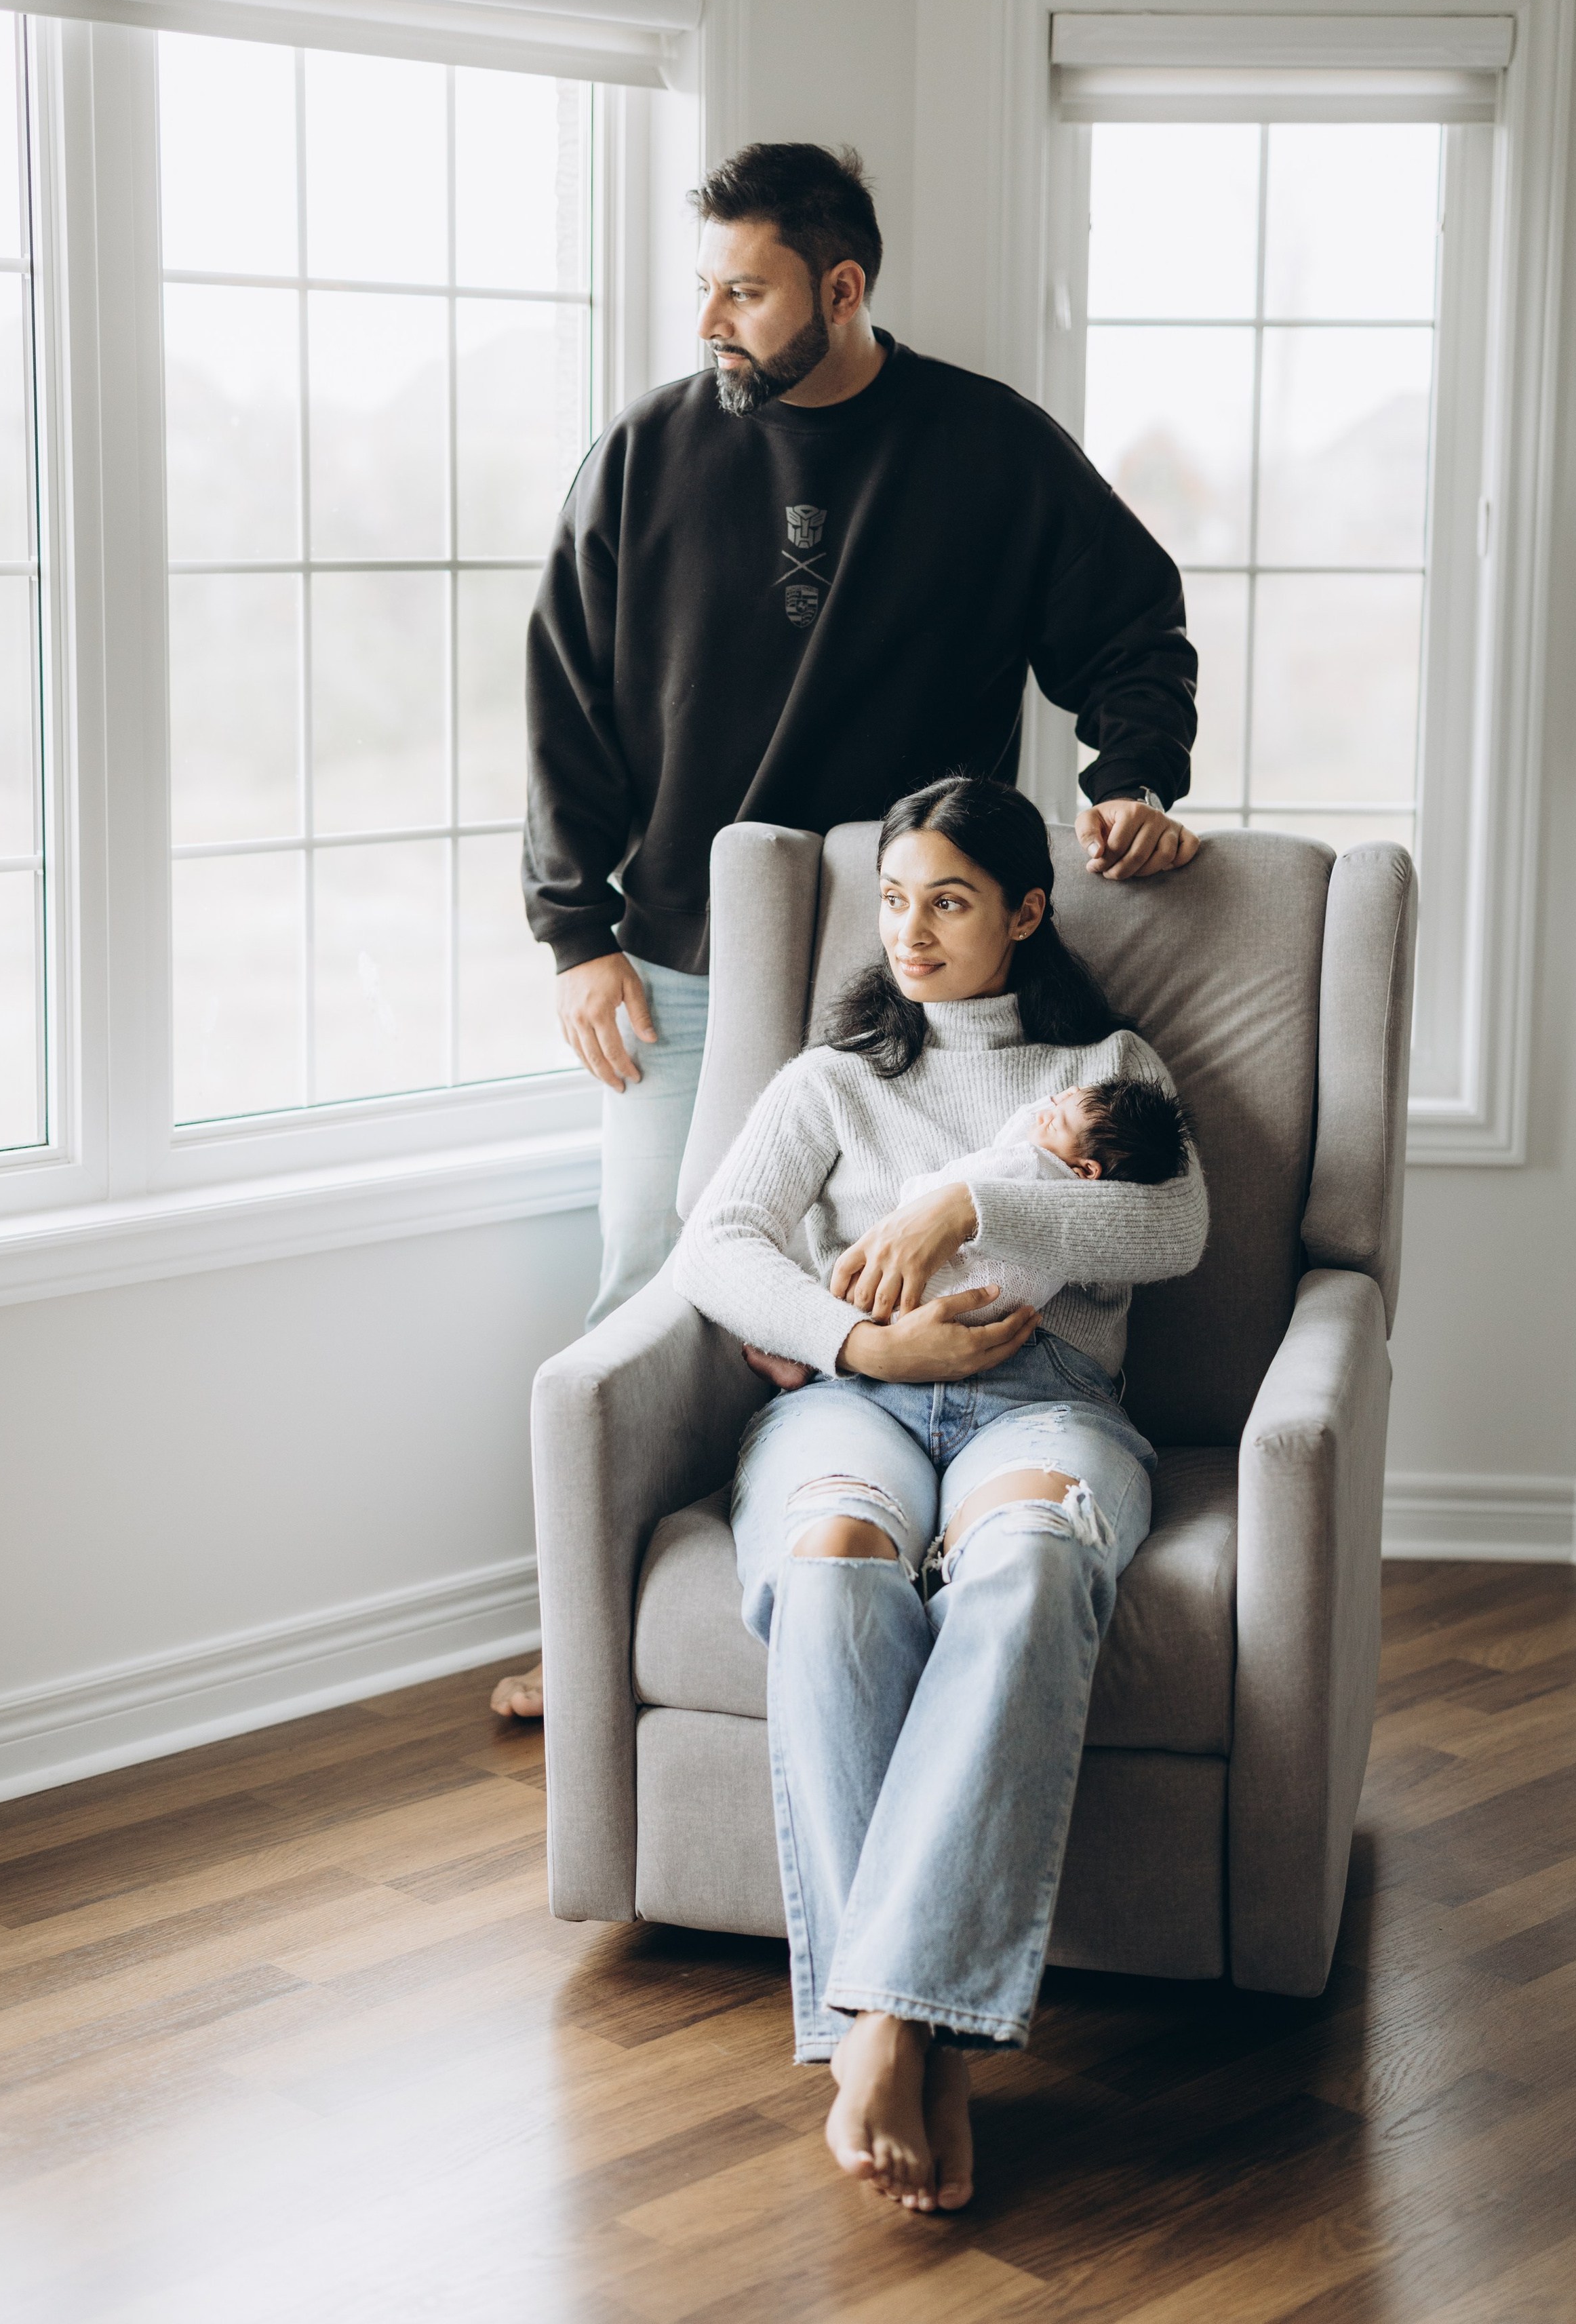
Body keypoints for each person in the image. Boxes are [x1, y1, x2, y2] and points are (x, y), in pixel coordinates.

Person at [492, 140, 1200, 1722]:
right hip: (677, 952)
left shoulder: (989, 453)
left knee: (898, 1247)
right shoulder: (640, 458)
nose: (712, 322)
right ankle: (599, 1631)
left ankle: (892, 1548)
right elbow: (563, 703)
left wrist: (1132, 777)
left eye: (742, 290)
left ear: (840, 285)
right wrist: (574, 931)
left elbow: (1132, 626)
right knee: (652, 1281)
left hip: (915, 953)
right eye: (705, 289)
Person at [672, 776, 1208, 2213]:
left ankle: (887, 2016)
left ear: (1025, 913)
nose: (910, 931)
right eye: (895, 900)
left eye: (950, 901)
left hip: (1047, 1405)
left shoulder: (1102, 1062)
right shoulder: (831, 1079)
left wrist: (961, 1205)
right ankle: (921, 2038)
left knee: (1031, 1565)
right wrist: (857, 1339)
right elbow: (712, 1244)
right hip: (852, 1401)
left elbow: (1172, 1223)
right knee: (836, 1560)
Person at [753, 1075, 1191, 1390]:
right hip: (996, 1315)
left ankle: (801, 1352)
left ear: (1088, 1171)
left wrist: (931, 1203)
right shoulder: (1082, 1203)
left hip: (970, 1324)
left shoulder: (1027, 1161)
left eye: (1053, 1120)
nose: (1043, 1114)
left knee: (859, 1288)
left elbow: (974, 1168)